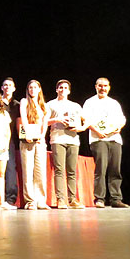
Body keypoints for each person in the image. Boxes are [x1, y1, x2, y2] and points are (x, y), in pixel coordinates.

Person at [83, 77, 128, 208]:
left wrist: (119, 127)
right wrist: (96, 131)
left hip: (114, 139)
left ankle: (116, 198)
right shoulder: (90, 102)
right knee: (101, 169)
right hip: (98, 139)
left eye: (105, 86)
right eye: (100, 86)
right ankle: (99, 198)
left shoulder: (114, 103)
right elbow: (85, 119)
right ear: (96, 87)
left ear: (109, 87)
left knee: (115, 169)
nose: (103, 88)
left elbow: (122, 119)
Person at [46, 80, 86, 209]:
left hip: (73, 140)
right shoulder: (50, 104)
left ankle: (72, 199)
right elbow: (44, 121)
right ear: (56, 90)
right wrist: (57, 119)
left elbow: (86, 120)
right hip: (58, 139)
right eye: (60, 87)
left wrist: (81, 128)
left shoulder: (75, 106)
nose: (63, 90)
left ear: (69, 91)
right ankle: (61, 199)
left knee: (72, 171)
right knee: (59, 170)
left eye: (65, 88)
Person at [19, 80, 50, 210]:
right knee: (28, 170)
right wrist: (27, 134)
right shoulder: (24, 101)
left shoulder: (44, 105)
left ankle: (41, 200)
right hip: (28, 139)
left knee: (40, 170)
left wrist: (42, 136)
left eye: (35, 87)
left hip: (40, 140)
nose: (32, 89)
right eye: (30, 87)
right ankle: (30, 201)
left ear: (39, 89)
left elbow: (45, 123)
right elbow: (24, 118)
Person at [0, 77, 20, 206]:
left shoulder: (17, 105)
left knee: (10, 168)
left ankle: (10, 198)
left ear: (14, 88)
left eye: (10, 85)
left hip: (11, 140)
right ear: (2, 88)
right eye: (5, 85)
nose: (7, 87)